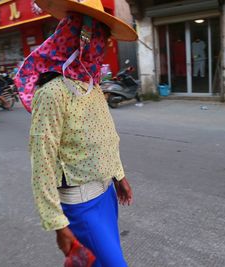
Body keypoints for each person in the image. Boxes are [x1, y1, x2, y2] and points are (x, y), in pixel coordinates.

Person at [14, 0, 137, 266]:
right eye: (99, 37)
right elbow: (42, 161)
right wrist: (57, 223)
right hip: (82, 206)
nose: (103, 45)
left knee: (95, 263)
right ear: (81, 38)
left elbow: (106, 135)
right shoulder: (52, 93)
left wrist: (119, 176)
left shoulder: (90, 85)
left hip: (106, 197)